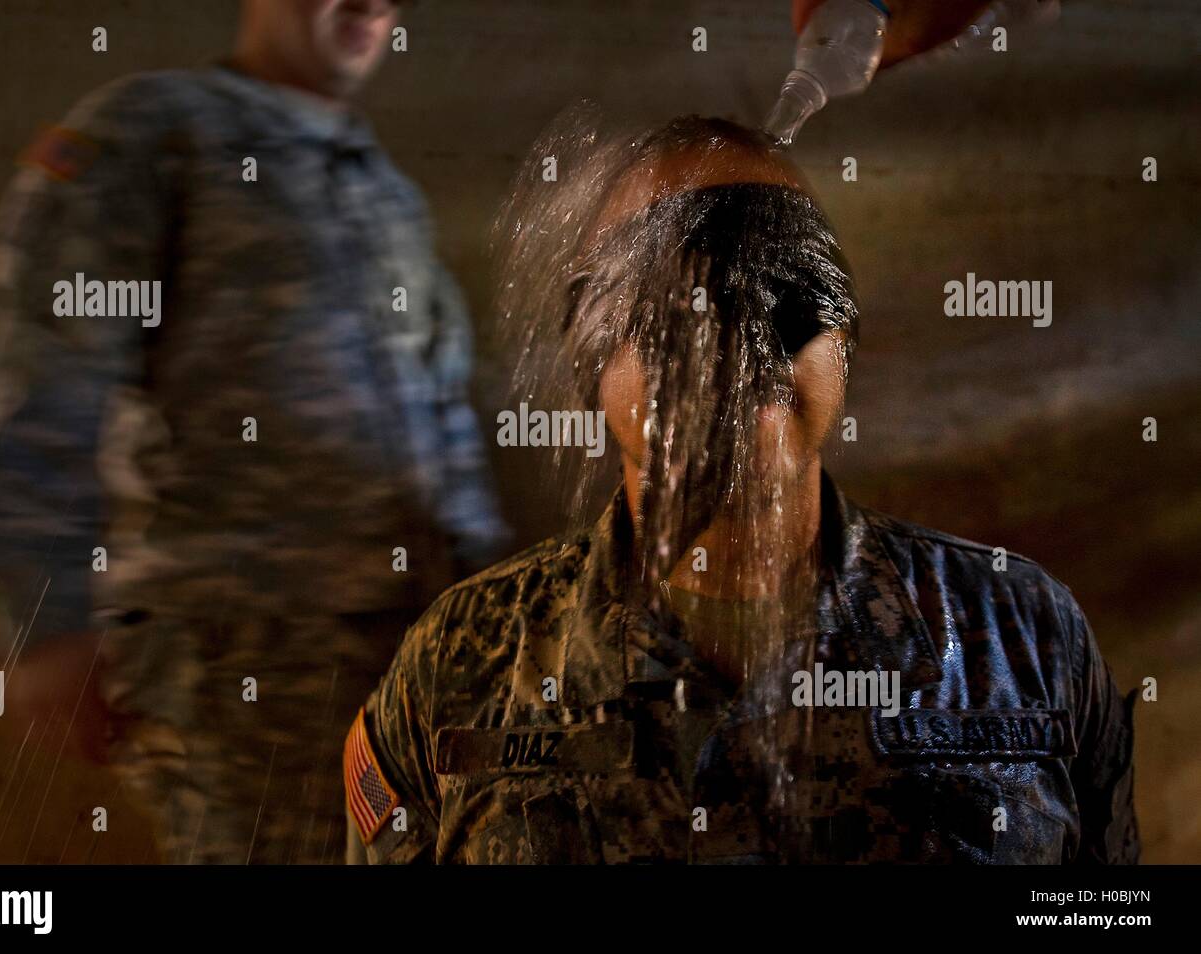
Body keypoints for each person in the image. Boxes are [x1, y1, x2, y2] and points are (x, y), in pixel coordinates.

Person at [346, 115, 1138, 864]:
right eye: (678, 307)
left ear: (845, 336)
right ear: (590, 355)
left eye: (789, 291)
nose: (744, 347)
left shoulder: (1024, 639)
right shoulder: (458, 666)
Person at [0, 0, 507, 864]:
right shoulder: (155, 132)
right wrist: (49, 617)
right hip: (252, 664)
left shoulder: (381, 186)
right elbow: (48, 375)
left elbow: (442, 422)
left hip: (422, 662)